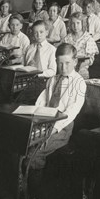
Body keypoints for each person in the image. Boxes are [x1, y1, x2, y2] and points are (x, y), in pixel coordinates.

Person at [29, 43, 86, 181]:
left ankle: (34, 189)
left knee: (35, 152)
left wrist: (52, 129)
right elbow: (42, 100)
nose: (63, 67)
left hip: (62, 127)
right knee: (24, 143)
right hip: (44, 121)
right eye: (60, 63)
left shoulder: (79, 83)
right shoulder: (53, 79)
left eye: (67, 63)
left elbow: (71, 112)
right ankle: (24, 183)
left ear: (75, 61)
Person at [63, 12, 98, 79]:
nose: (75, 26)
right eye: (73, 23)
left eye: (78, 23)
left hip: (82, 67)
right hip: (68, 66)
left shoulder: (88, 38)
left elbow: (90, 59)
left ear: (82, 23)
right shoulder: (67, 38)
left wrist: (78, 66)